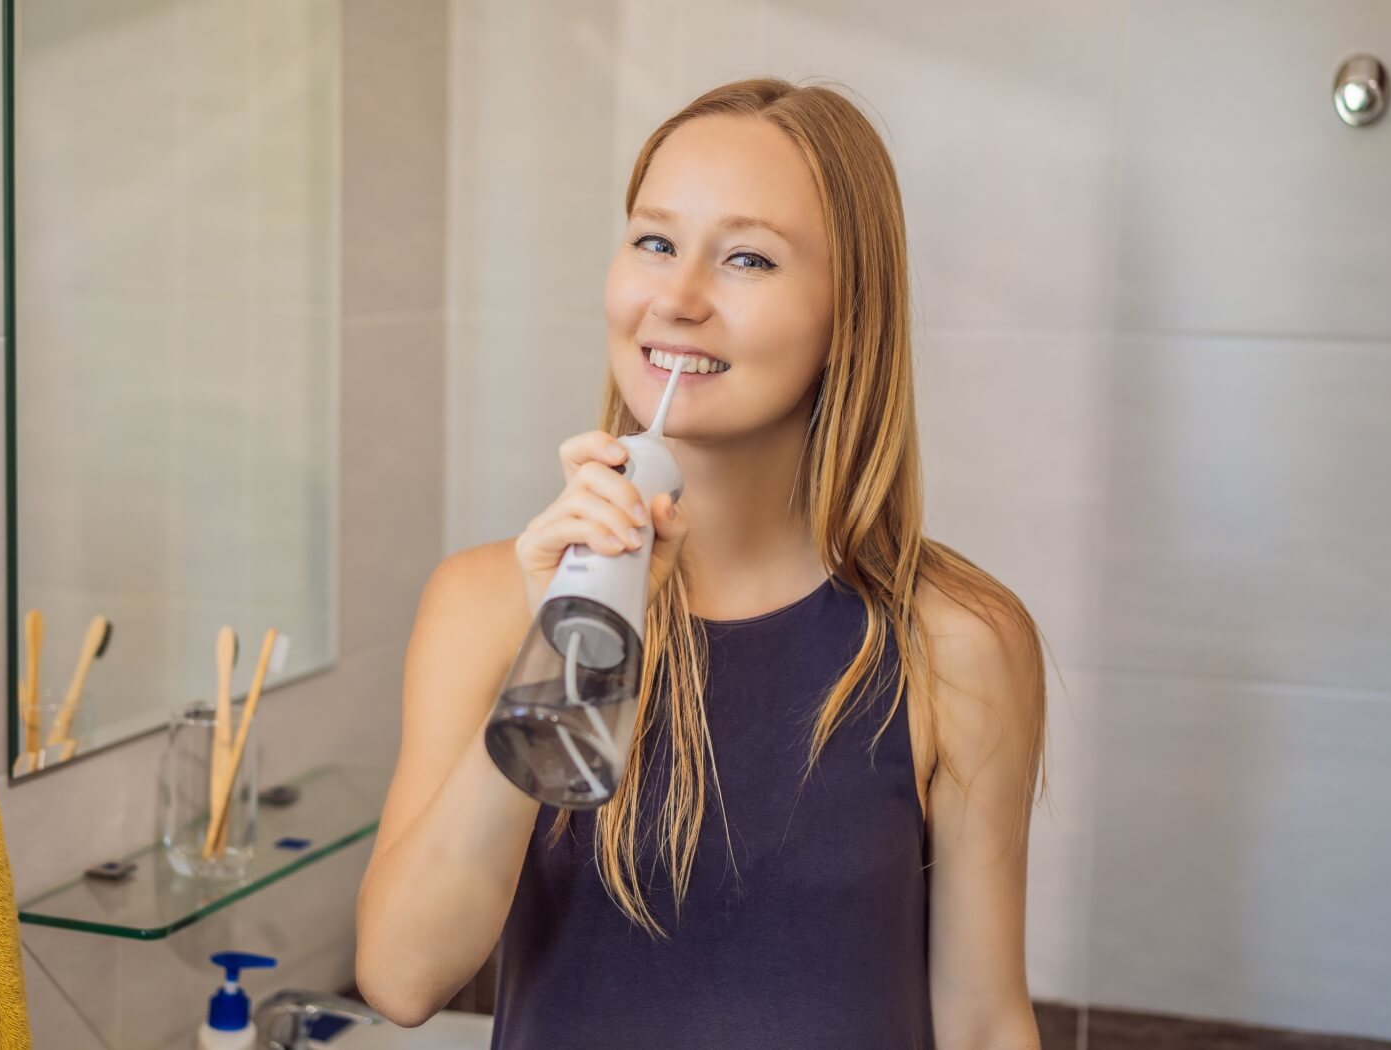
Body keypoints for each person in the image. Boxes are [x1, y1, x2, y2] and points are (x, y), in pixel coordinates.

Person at [355, 76, 1050, 1049]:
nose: (676, 298)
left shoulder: (959, 640)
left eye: (748, 259)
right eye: (653, 242)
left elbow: (980, 1023)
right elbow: (402, 976)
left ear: (850, 313)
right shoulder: (485, 604)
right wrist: (558, 653)